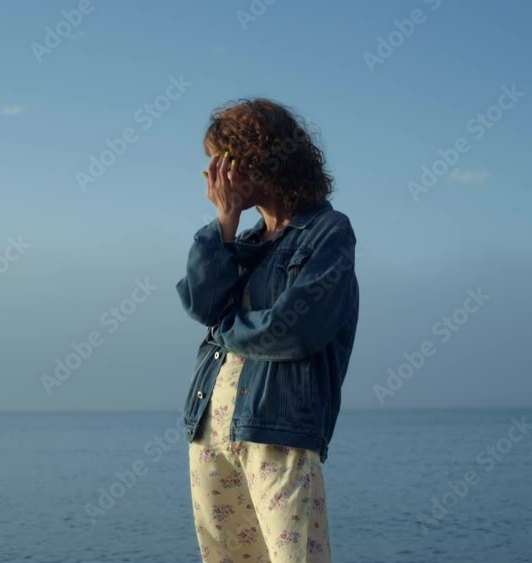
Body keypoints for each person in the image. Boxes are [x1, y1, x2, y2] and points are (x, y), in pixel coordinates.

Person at [176, 98, 359, 562]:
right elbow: (201, 303)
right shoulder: (245, 241)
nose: (215, 174)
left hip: (278, 427)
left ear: (258, 160)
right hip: (210, 428)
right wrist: (225, 222)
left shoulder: (327, 233)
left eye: (223, 160)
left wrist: (226, 327)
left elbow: (296, 329)